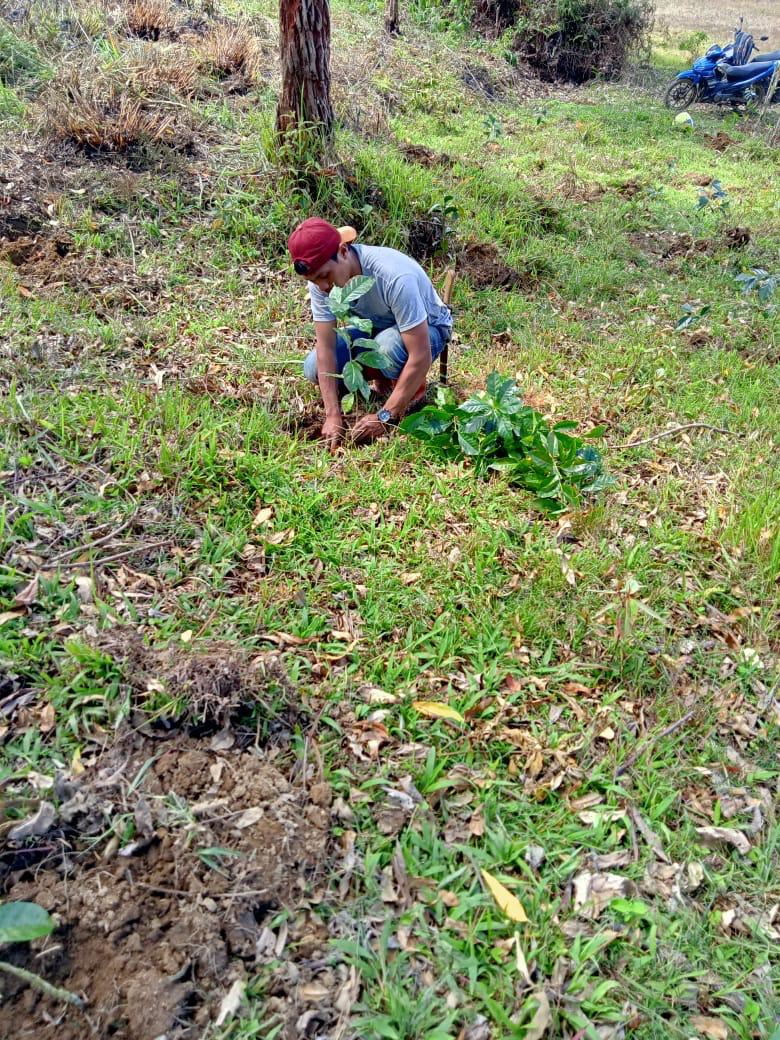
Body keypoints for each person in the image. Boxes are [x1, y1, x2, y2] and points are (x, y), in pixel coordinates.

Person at [289, 217, 453, 448]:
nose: (323, 287)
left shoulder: (393, 276)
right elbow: (325, 346)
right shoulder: (320, 281)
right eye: (313, 280)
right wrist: (332, 415)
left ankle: (411, 392)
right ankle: (383, 379)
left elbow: (420, 355)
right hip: (378, 326)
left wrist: (384, 417)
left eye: (325, 275)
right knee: (313, 367)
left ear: (343, 252)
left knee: (388, 347)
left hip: (429, 329)